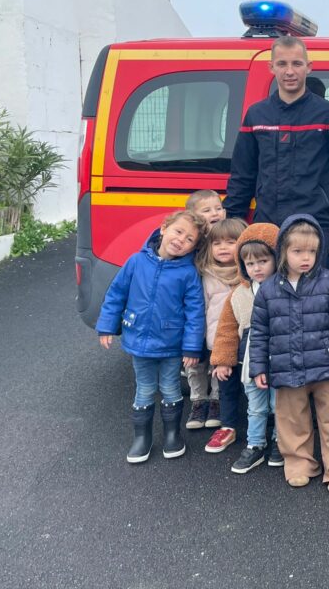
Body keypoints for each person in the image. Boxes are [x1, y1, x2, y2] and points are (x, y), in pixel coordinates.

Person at [224, 36, 329, 272]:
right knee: (268, 293)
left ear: (309, 67)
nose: (289, 71)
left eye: (296, 63)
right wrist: (233, 224)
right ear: (271, 67)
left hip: (317, 226)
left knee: (317, 294)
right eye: (282, 64)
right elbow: (242, 174)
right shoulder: (256, 115)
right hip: (268, 225)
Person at [249, 214, 329, 493]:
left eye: (312, 251)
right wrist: (258, 367)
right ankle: (299, 465)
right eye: (298, 251)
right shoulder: (268, 290)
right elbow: (259, 332)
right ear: (283, 251)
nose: (306, 258)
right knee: (292, 421)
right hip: (286, 367)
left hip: (327, 366)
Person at [97, 210, 207, 464]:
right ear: (164, 228)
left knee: (170, 387)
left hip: (171, 344)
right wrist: (107, 326)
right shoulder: (136, 262)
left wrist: (192, 348)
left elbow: (195, 313)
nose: (181, 240)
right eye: (178, 231)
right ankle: (142, 438)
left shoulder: (188, 273)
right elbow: (116, 295)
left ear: (194, 247)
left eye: (189, 239)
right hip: (139, 342)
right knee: (144, 389)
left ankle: (172, 436)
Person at [209, 222, 284, 474]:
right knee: (256, 406)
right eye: (250, 264)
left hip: (280, 360)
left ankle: (280, 442)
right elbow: (227, 329)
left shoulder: (287, 289)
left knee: (280, 405)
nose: (257, 268)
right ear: (242, 265)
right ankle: (255, 445)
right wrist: (222, 360)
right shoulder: (238, 294)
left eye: (263, 261)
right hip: (250, 363)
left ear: (277, 258)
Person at [190, 217, 246, 446]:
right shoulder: (206, 275)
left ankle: (260, 426)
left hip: (247, 343)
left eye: (231, 242)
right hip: (218, 342)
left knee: (252, 387)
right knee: (226, 386)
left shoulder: (249, 273)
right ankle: (227, 425)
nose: (223, 247)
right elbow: (201, 309)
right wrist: (198, 341)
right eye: (217, 243)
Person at [182, 193, 231, 431]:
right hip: (194, 315)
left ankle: (215, 401)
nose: (215, 213)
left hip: (217, 314)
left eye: (218, 208)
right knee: (194, 362)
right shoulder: (191, 242)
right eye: (207, 210)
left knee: (217, 358)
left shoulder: (226, 237)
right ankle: (198, 400)